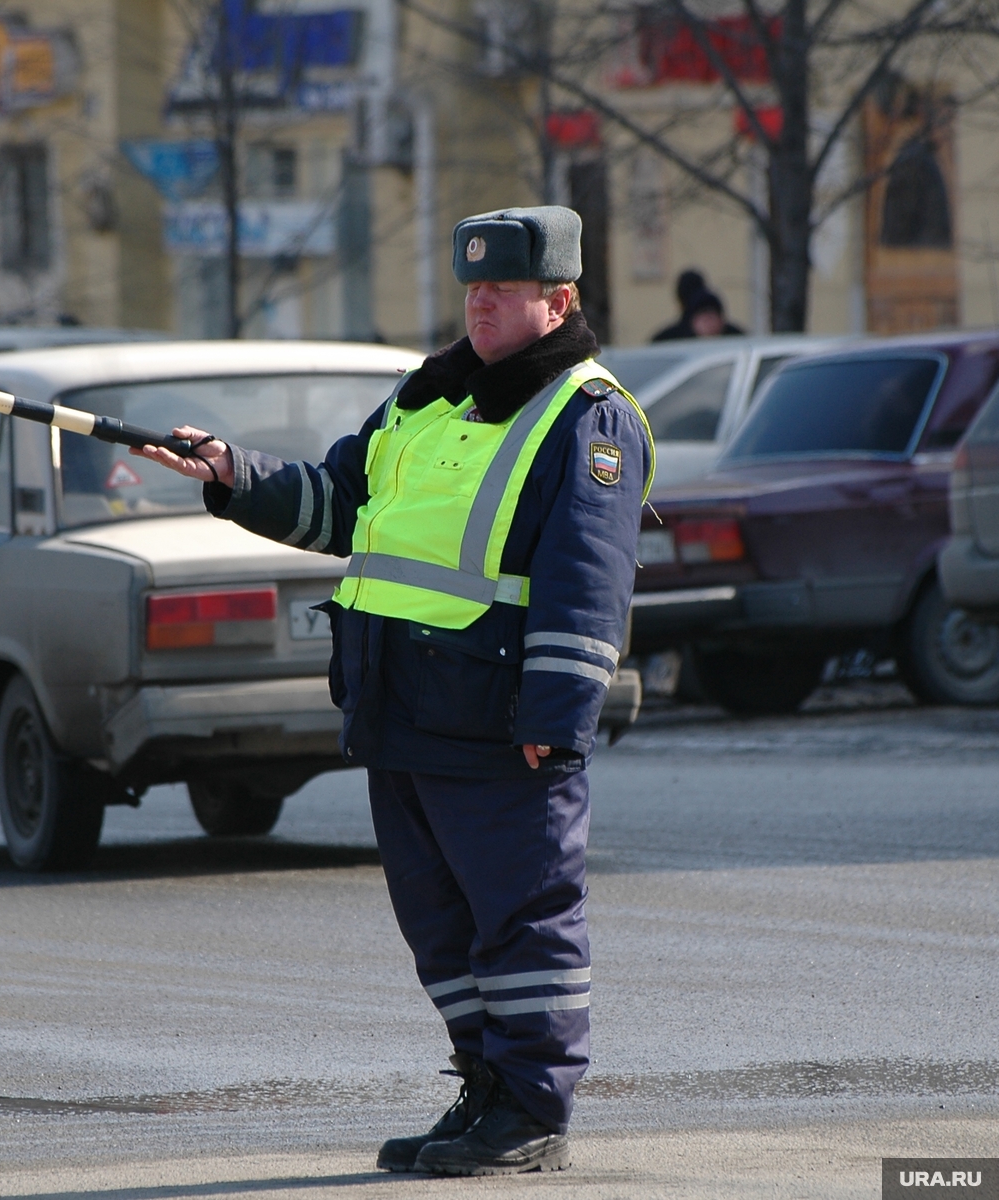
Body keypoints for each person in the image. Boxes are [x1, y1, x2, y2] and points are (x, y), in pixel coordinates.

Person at [134, 206, 655, 1176]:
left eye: (504, 290)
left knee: (524, 918)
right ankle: (484, 1090)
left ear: (560, 301)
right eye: (473, 289)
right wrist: (229, 471)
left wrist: (556, 718)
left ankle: (532, 1110)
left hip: (500, 722)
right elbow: (340, 503)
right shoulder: (428, 396)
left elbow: (590, 578)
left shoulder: (590, 417)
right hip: (405, 710)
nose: (483, 304)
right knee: (440, 924)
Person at [650, 268, 744, 341]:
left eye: (712, 316)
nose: (709, 323)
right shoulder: (669, 341)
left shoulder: (735, 339)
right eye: (704, 318)